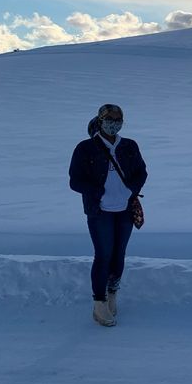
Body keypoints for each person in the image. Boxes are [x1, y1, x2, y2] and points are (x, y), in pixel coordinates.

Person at [69, 104, 148, 327]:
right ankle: (99, 303)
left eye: (118, 118)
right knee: (103, 255)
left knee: (118, 254)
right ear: (100, 120)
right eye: (109, 118)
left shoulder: (129, 146)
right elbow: (75, 181)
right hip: (100, 211)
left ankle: (112, 293)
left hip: (125, 210)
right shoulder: (85, 148)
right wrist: (98, 192)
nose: (114, 123)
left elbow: (142, 171)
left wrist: (130, 190)